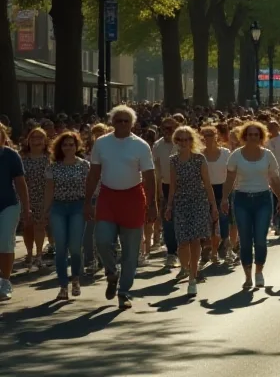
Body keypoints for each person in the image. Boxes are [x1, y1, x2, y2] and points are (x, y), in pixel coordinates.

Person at [84, 106, 157, 310]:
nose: (122, 124)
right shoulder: (102, 143)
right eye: (118, 120)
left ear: (132, 123)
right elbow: (93, 174)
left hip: (133, 198)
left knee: (131, 251)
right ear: (112, 122)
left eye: (126, 121)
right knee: (102, 240)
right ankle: (111, 272)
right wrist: (88, 201)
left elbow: (150, 177)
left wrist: (153, 205)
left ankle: (124, 291)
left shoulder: (141, 145)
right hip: (108, 197)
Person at [222, 121, 280, 289]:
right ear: (245, 136)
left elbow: (275, 179)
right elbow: (229, 179)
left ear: (261, 136)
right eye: (250, 134)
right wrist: (224, 198)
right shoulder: (236, 155)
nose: (253, 137)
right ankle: (248, 276)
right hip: (241, 199)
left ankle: (259, 271)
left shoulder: (268, 155)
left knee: (260, 239)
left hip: (263, 199)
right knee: (245, 240)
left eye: (256, 135)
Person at [164, 126, 218, 297]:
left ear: (192, 140)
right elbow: (172, 186)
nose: (184, 142)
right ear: (176, 141)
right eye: (180, 139)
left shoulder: (199, 159)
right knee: (182, 242)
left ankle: (192, 278)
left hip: (198, 202)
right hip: (181, 202)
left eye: (187, 139)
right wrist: (169, 206)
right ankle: (185, 267)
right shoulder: (173, 160)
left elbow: (207, 184)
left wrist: (213, 206)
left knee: (195, 240)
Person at [43, 131, 91, 301]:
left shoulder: (85, 165)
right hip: (58, 208)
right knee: (61, 247)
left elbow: (89, 188)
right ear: (59, 147)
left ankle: (76, 279)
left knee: (75, 247)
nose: (68, 147)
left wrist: (89, 206)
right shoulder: (53, 167)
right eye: (65, 145)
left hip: (78, 206)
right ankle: (63, 285)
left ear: (76, 146)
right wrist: (46, 210)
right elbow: (49, 190)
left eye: (71, 144)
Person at [0, 123, 30, 301]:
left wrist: (27, 208)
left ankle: (5, 281)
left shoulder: (11, 155)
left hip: (8, 205)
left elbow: (20, 183)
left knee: (5, 242)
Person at [201, 127, 232, 265]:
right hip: (205, 191)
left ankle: (223, 246)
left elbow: (231, 173)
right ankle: (209, 250)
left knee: (223, 220)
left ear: (216, 136)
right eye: (205, 135)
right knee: (208, 224)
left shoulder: (225, 153)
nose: (208, 138)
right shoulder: (199, 155)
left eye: (210, 135)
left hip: (223, 189)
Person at [20, 127, 49, 271]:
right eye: (33, 138)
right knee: (27, 227)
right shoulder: (22, 158)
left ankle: (38, 255)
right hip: (26, 197)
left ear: (45, 141)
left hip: (43, 197)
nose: (36, 140)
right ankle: (29, 253)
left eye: (39, 138)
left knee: (40, 226)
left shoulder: (49, 159)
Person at [153, 117, 180, 268]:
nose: (168, 132)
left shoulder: (182, 142)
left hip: (183, 186)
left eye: (171, 128)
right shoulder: (158, 145)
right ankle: (171, 252)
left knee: (182, 219)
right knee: (168, 220)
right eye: (165, 129)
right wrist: (158, 191)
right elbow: (156, 169)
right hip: (166, 185)